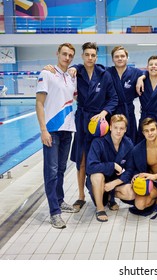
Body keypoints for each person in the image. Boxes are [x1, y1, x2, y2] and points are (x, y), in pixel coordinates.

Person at [70, 42, 118, 212]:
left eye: (93, 55)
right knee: (82, 160)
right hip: (83, 121)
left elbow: (113, 98)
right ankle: (81, 196)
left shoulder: (104, 75)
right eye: (87, 54)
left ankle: (110, 197)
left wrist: (104, 113)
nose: (90, 58)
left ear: (96, 57)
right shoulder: (76, 73)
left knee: (104, 159)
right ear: (82, 56)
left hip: (100, 123)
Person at [35, 43, 77, 229]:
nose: (67, 57)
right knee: (51, 172)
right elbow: (39, 103)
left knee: (60, 169)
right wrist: (43, 130)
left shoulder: (70, 76)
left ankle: (59, 201)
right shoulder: (47, 74)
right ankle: (54, 212)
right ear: (57, 54)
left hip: (68, 129)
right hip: (52, 130)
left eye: (70, 55)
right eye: (64, 54)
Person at [86, 114, 135, 222]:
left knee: (131, 194)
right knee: (97, 176)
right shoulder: (98, 142)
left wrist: (114, 183)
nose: (118, 131)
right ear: (110, 127)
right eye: (116, 127)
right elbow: (90, 167)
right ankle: (100, 208)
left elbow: (130, 170)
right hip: (99, 182)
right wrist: (112, 165)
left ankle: (110, 197)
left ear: (125, 130)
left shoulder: (128, 144)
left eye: (121, 128)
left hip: (114, 182)